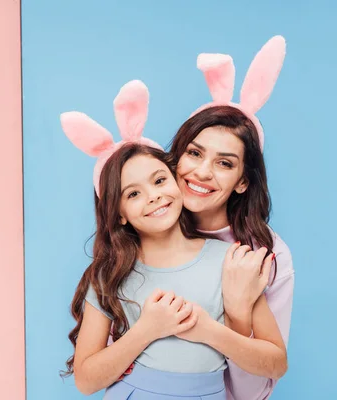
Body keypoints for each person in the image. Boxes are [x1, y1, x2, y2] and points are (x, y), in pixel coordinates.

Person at [59, 80, 283, 399]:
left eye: (159, 180)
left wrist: (208, 330)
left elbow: (276, 363)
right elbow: (85, 381)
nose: (153, 197)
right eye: (133, 193)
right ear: (119, 213)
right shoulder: (109, 275)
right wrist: (148, 329)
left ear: (176, 179)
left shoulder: (229, 261)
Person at [167, 35, 294, 400]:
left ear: (242, 182)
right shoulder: (145, 229)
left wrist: (238, 312)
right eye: (194, 153)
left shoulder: (267, 257)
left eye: (224, 163)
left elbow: (252, 393)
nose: (202, 172)